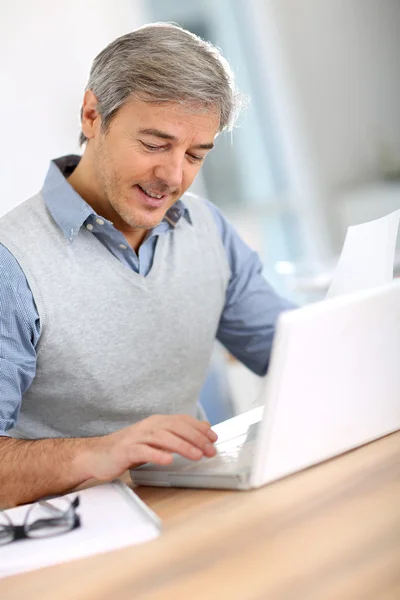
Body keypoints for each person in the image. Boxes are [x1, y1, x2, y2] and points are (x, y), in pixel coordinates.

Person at [0, 23, 294, 507]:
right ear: (93, 115)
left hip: (187, 505)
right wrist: (98, 453)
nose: (173, 175)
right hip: (67, 535)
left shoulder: (208, 229)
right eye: (155, 144)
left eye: (196, 154)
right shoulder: (13, 264)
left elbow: (291, 357)